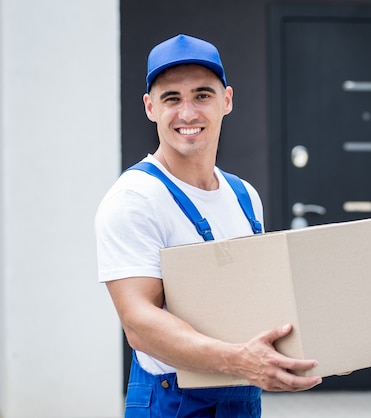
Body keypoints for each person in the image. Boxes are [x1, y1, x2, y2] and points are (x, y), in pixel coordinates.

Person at [95, 33, 322, 417]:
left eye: (202, 95)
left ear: (226, 101)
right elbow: (139, 324)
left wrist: (321, 346)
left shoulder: (243, 195)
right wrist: (239, 360)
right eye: (172, 99)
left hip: (241, 396)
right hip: (171, 402)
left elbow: (256, 298)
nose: (188, 113)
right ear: (150, 108)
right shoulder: (134, 200)